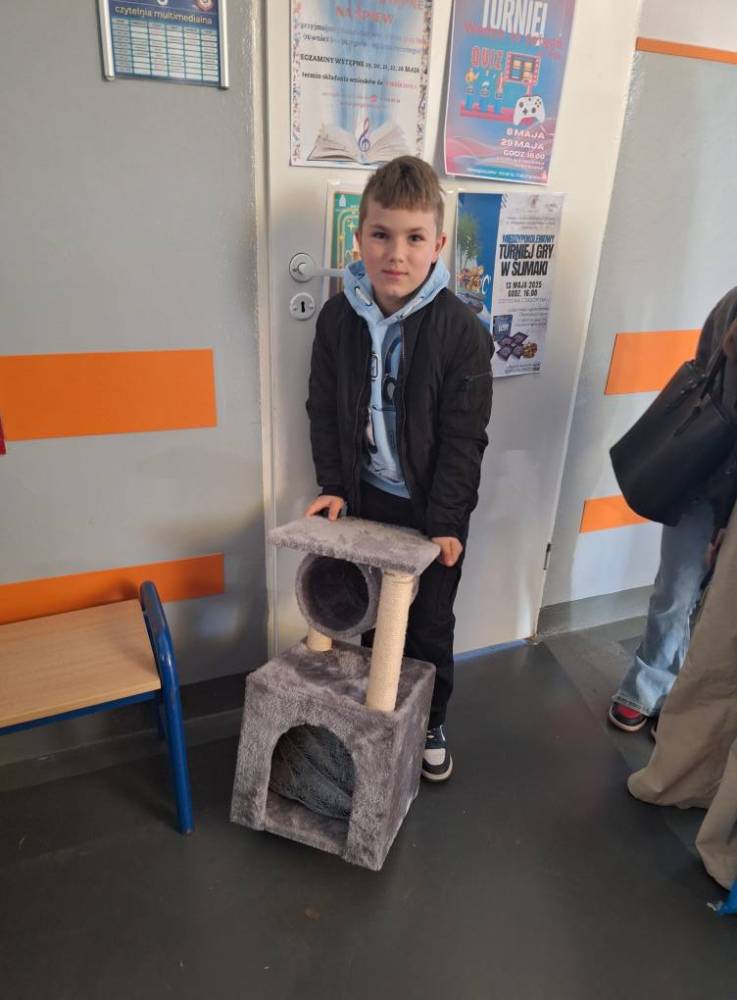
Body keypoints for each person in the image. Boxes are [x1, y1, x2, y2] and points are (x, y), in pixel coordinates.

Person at [305, 156, 493, 782]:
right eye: (381, 235)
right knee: (366, 615)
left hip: (431, 508)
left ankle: (430, 719)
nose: (396, 254)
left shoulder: (461, 331)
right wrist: (333, 486)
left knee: (429, 623)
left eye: (415, 238)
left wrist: (447, 520)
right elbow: (324, 409)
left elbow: (465, 438)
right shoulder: (337, 319)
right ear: (358, 238)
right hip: (364, 499)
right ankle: (373, 712)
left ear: (438, 245)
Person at [609, 287, 737, 733]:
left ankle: (689, 704)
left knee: (719, 609)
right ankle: (648, 686)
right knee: (678, 591)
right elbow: (714, 382)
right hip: (706, 475)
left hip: (716, 477)